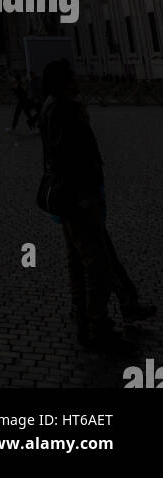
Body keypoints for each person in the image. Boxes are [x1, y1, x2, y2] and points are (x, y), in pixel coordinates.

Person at [38, 59, 153, 353]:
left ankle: (90, 316)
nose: (78, 80)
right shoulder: (64, 109)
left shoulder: (52, 106)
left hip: (69, 197)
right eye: (73, 77)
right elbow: (70, 156)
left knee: (79, 259)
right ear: (64, 82)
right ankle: (97, 325)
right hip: (79, 198)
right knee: (95, 262)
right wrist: (85, 195)